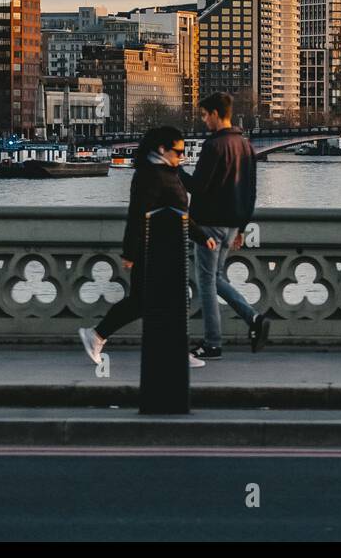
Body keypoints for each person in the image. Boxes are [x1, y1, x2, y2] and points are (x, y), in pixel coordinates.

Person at [79, 125, 212, 368]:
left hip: (171, 249)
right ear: (162, 149)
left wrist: (201, 236)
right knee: (145, 302)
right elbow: (137, 216)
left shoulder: (170, 170)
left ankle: (172, 350)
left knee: (168, 302)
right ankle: (96, 335)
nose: (182, 156)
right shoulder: (149, 175)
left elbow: (182, 210)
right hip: (152, 251)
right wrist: (130, 252)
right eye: (178, 151)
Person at [182, 92, 270, 360]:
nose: (204, 120)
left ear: (217, 114)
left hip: (209, 224)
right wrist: (241, 227)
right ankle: (253, 318)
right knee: (216, 278)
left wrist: (173, 169)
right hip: (232, 224)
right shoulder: (245, 145)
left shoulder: (214, 146)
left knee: (206, 283)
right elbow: (251, 191)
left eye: (206, 115)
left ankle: (212, 343)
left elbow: (197, 186)